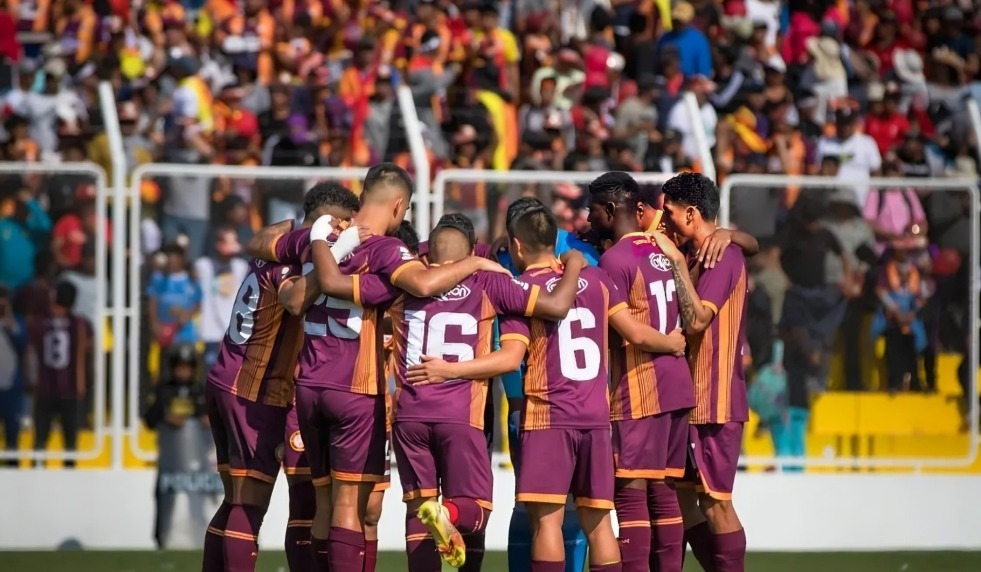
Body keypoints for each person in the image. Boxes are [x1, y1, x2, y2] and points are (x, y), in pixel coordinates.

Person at [253, 163, 509, 572]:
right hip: (355, 389)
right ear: (399, 206)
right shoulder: (386, 251)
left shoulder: (318, 237)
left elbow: (260, 242)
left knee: (320, 504)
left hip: (309, 385)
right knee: (349, 507)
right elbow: (424, 286)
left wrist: (314, 231)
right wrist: (475, 265)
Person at [410, 199, 681, 572]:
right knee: (601, 524)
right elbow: (632, 331)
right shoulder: (598, 281)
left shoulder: (522, 292)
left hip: (547, 417)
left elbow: (508, 359)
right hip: (597, 418)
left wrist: (449, 370)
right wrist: (673, 342)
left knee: (546, 522)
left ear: (517, 246)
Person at [201, 182, 362, 572]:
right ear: (331, 222)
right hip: (253, 389)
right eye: (344, 224)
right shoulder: (301, 257)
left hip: (227, 376)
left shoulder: (280, 243)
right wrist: (335, 250)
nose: (347, 232)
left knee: (235, 498)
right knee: (250, 502)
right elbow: (294, 300)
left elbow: (259, 240)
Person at [587, 172, 695, 572]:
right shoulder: (660, 249)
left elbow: (628, 332)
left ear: (611, 210)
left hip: (641, 387)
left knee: (630, 492)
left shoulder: (614, 260)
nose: (588, 217)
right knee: (664, 491)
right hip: (677, 383)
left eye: (593, 209)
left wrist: (666, 342)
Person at [652, 172, 750, 572]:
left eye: (669, 213)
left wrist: (675, 259)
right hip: (690, 398)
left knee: (716, 503)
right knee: (682, 501)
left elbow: (695, 322)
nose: (663, 222)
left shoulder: (721, 255)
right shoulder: (700, 251)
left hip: (715, 399)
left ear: (691, 213)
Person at [143, 344, 209, 549]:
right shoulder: (163, 391)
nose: (183, 371)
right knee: (163, 497)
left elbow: (209, 418)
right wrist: (165, 416)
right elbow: (149, 419)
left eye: (187, 367)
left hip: (196, 461)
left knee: (198, 501)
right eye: (179, 367)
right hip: (171, 459)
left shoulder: (201, 391)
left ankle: (200, 535)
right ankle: (161, 538)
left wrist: (206, 419)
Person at [27, 281, 91, 469]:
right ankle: (69, 473)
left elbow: (31, 351)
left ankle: (37, 471)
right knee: (70, 440)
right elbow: (84, 352)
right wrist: (82, 385)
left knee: (40, 437)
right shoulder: (79, 323)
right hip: (69, 387)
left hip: (45, 386)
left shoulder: (39, 322)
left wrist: (31, 380)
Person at [0, 286, 27, 467]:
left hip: (10, 386)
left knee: (12, 435)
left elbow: (22, 342)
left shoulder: (15, 321)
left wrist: (8, 318)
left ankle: (13, 468)